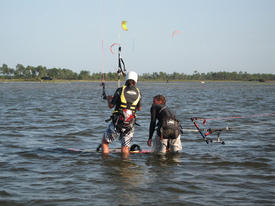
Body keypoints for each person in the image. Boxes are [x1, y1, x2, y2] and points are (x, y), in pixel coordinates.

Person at [102, 71, 142, 158]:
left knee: (105, 142)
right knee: (125, 147)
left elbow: (111, 106)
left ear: (126, 79)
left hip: (118, 123)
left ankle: (104, 162)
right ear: (136, 80)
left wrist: (109, 99)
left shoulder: (120, 90)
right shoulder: (138, 92)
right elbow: (139, 108)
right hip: (130, 124)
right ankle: (125, 166)